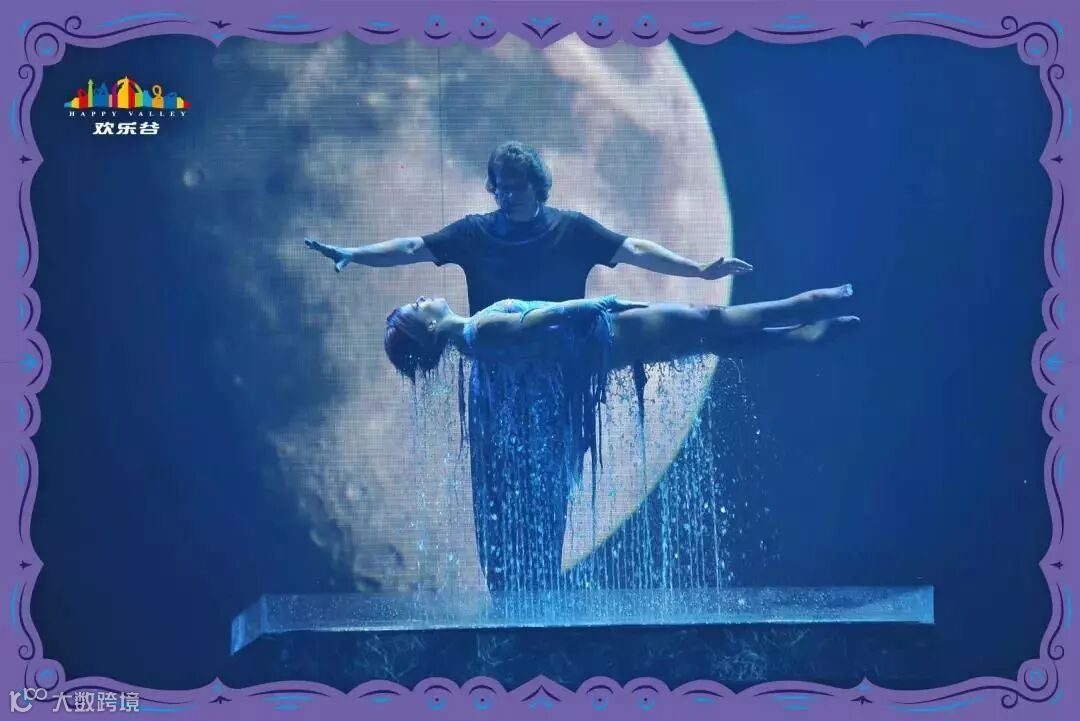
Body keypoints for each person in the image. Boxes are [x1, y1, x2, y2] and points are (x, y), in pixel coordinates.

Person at [305, 141, 752, 593]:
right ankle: (504, 598)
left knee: (551, 492)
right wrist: (355, 254)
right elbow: (413, 246)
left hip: (560, 382)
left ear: (537, 185)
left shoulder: (571, 230)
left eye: (516, 187)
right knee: (496, 496)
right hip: (496, 386)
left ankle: (542, 593)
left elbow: (631, 248)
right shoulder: (476, 233)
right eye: (500, 188)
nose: (507, 196)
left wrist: (698, 270)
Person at [383, 285, 859, 592]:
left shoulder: (472, 349)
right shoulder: (477, 332)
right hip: (604, 335)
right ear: (428, 330)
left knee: (708, 336)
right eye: (417, 307)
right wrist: (600, 304)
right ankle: (801, 308)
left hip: (596, 347)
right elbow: (544, 318)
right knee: (707, 320)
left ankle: (799, 335)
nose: (423, 298)